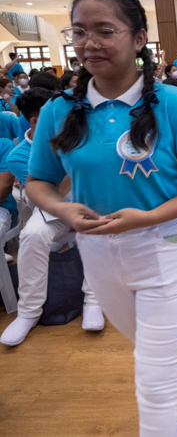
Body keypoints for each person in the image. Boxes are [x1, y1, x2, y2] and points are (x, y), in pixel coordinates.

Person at [26, 0, 177, 434]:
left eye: (104, 31)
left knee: (151, 381)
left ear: (138, 39)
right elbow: (38, 180)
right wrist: (62, 209)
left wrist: (151, 217)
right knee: (150, 345)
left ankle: (175, 384)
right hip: (97, 252)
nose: (89, 43)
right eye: (78, 32)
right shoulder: (61, 108)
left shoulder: (174, 104)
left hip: (166, 246)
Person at [0, 88, 105, 347]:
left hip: (93, 202)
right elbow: (52, 192)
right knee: (32, 235)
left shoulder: (79, 135)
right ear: (37, 121)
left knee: (99, 228)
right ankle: (29, 311)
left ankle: (93, 299)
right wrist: (77, 162)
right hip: (54, 209)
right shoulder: (20, 155)